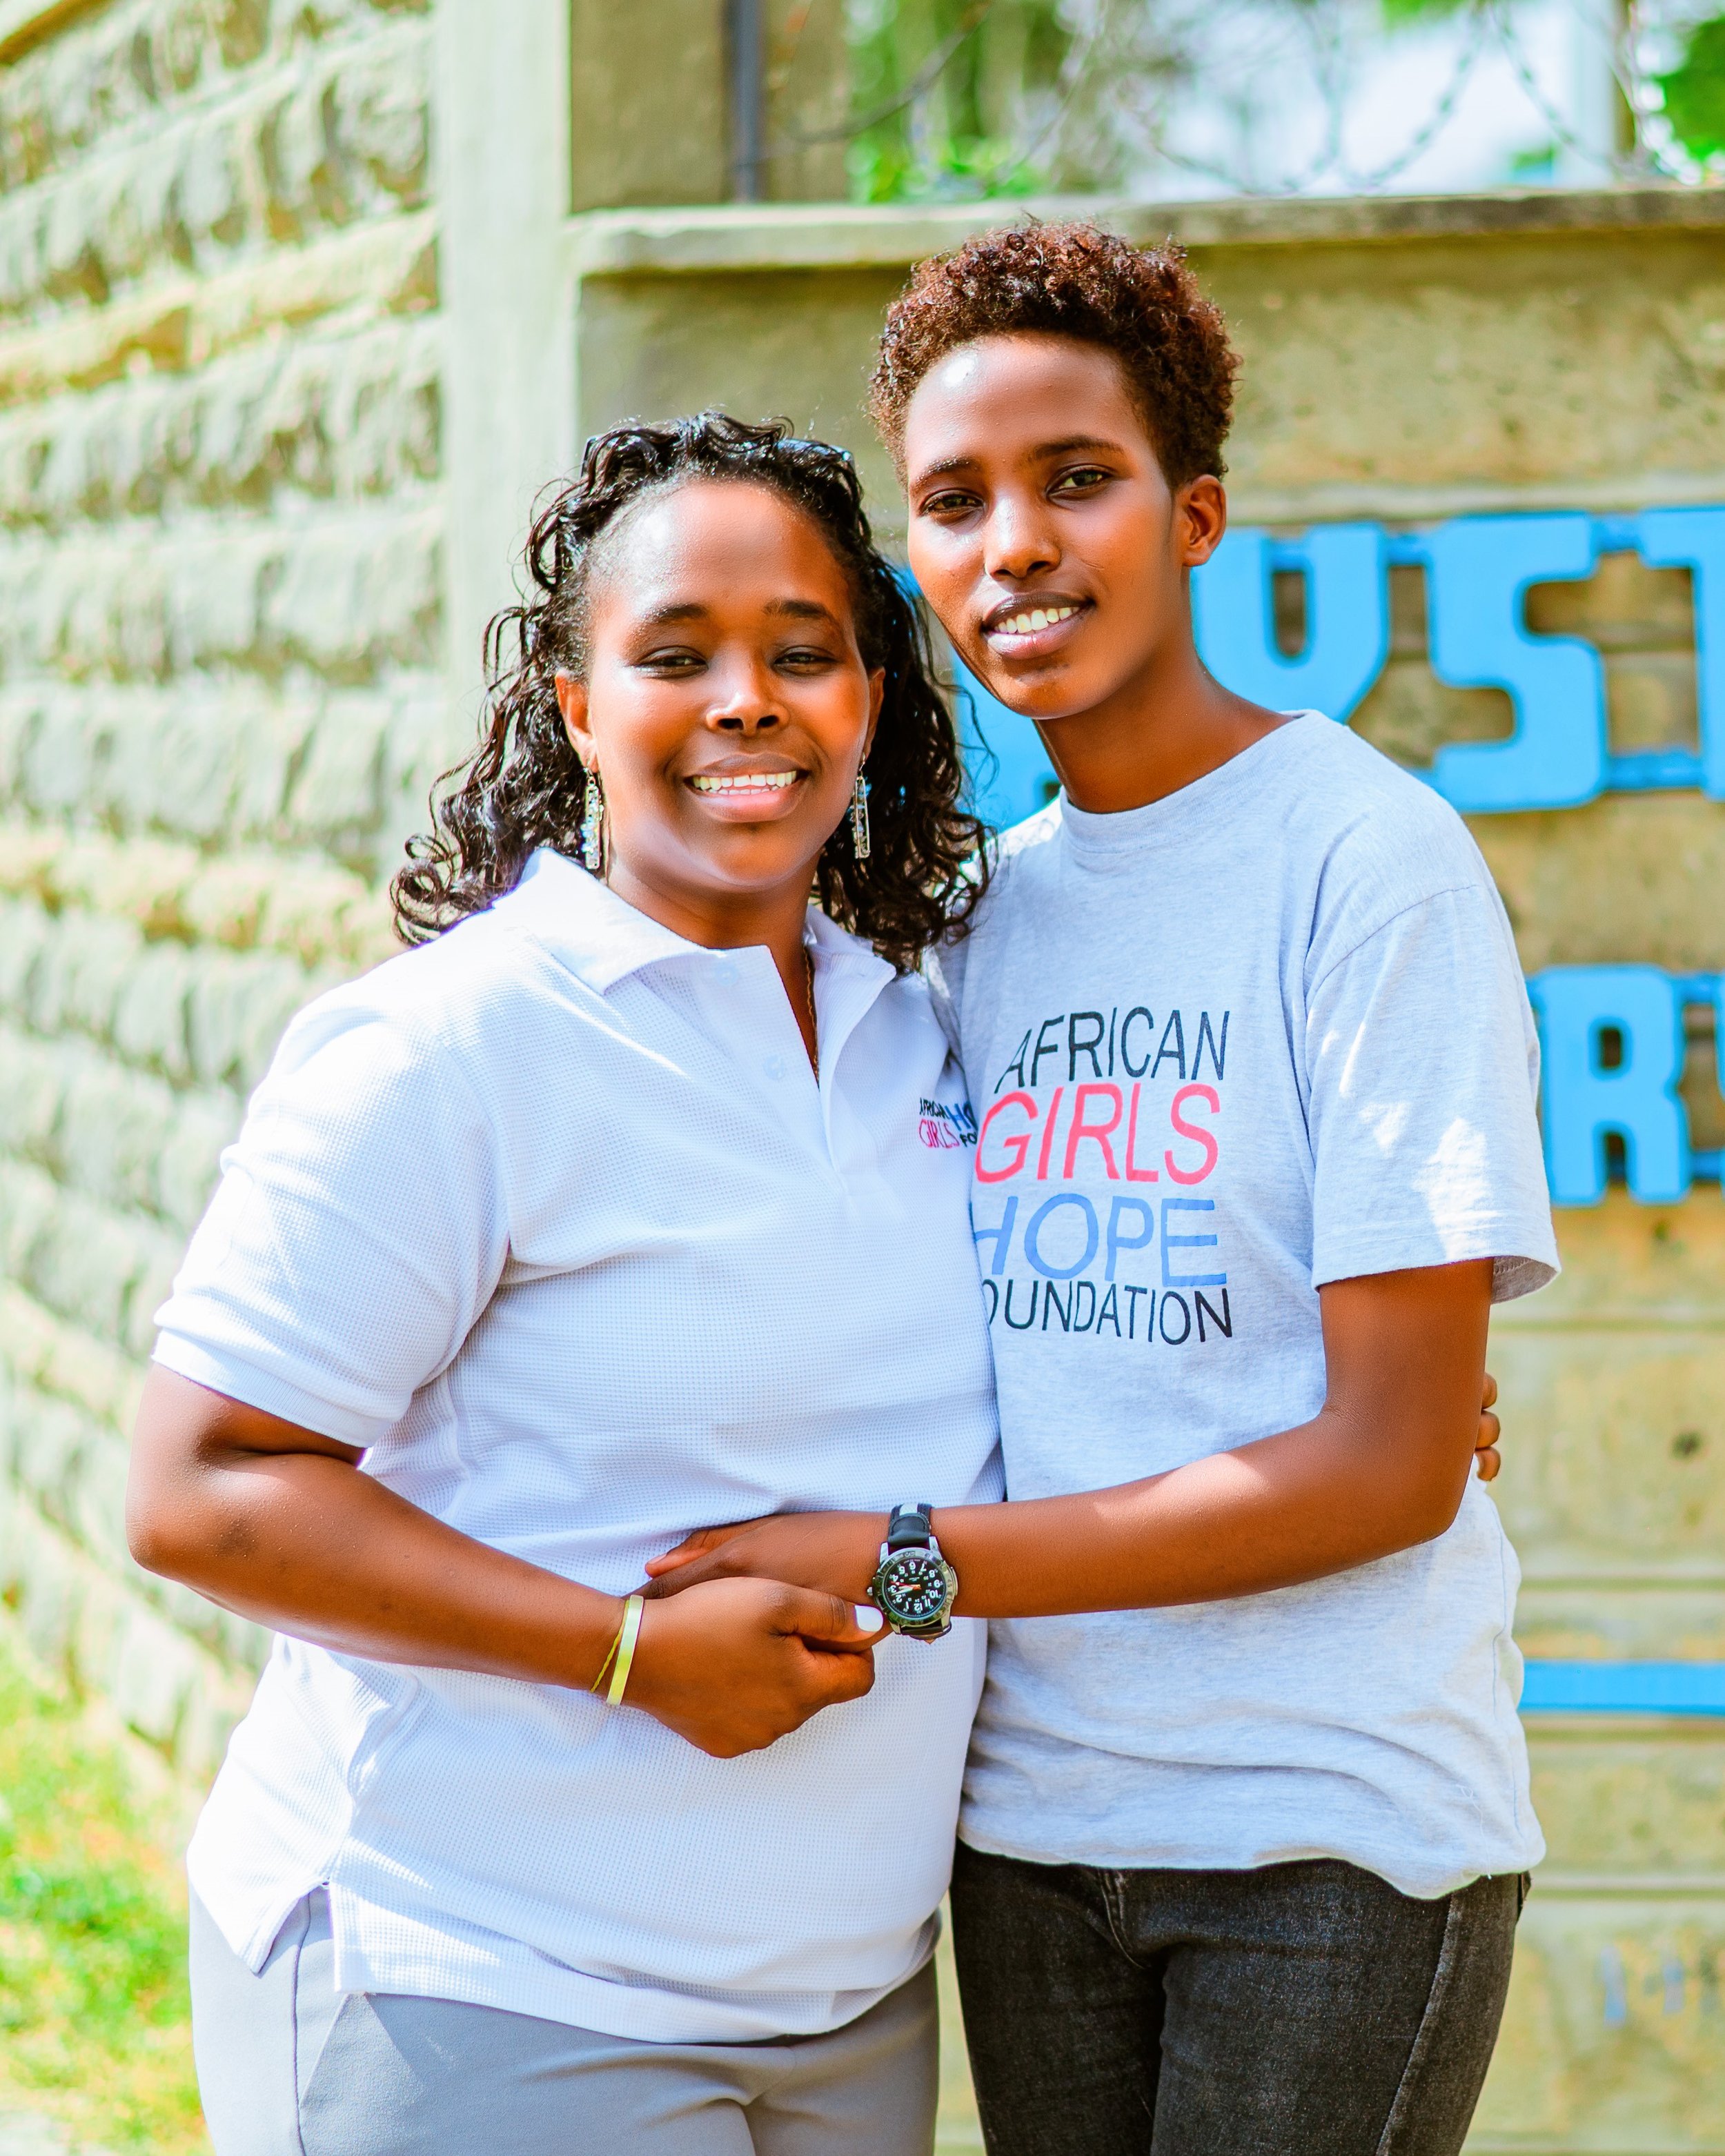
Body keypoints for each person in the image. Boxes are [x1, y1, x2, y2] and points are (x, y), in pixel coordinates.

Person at [645, 224, 1559, 2156]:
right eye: (956, 501)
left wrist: (892, 1553)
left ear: (1193, 509)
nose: (1017, 546)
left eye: (1078, 479)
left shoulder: (1363, 861)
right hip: (1027, 1828)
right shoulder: (969, 918)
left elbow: (1388, 1463)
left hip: (1328, 1835)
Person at [124, 413, 1007, 2156]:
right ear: (577, 706)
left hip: (847, 2009)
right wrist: (622, 1652)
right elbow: (197, 1489)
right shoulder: (452, 1049)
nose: (745, 700)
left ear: (874, 701)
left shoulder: (929, 1032)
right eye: (673, 656)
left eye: (801, 654)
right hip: (483, 1983)